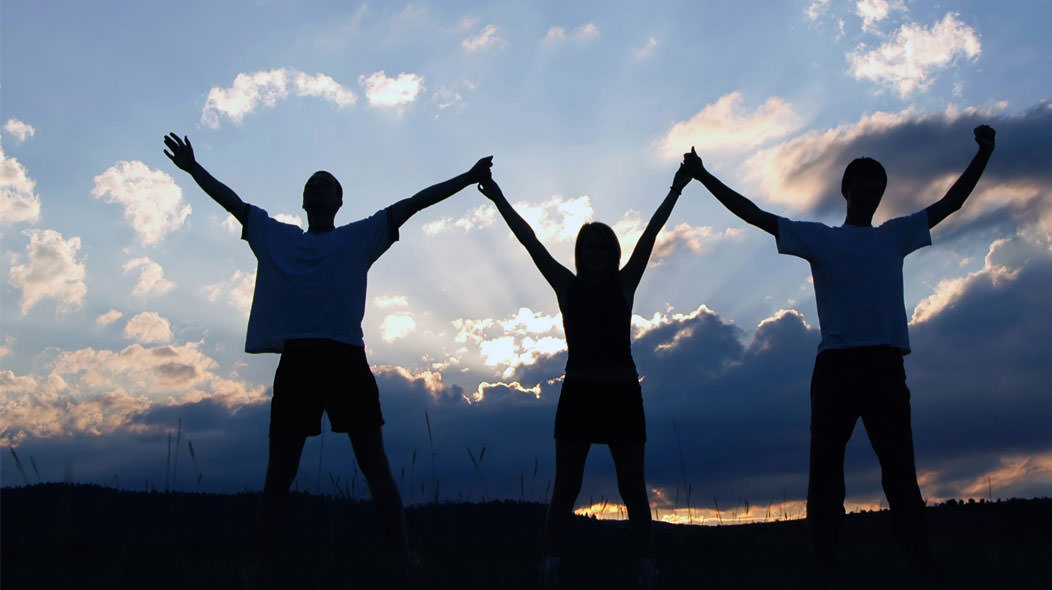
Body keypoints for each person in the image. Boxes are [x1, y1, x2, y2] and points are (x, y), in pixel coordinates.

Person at [162, 132, 492, 588]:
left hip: (345, 360)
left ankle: (403, 561)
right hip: (298, 360)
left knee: (374, 465)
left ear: (339, 201)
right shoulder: (275, 237)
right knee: (280, 472)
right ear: (303, 200)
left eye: (325, 184)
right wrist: (194, 169)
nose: (316, 188)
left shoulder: (360, 237)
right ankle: (261, 567)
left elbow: (417, 202)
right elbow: (232, 202)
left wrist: (469, 177)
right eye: (311, 184)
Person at [683, 125, 995, 588]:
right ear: (846, 189)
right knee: (826, 471)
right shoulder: (822, 239)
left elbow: (952, 203)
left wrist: (983, 153)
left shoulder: (894, 235)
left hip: (885, 364)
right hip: (837, 366)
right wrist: (704, 177)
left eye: (878, 186)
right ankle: (825, 560)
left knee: (899, 470)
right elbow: (756, 215)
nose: (871, 192)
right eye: (864, 185)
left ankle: (918, 558)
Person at [476, 161, 692, 589]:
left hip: (622, 396)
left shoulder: (625, 283)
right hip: (578, 396)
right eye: (587, 246)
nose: (594, 252)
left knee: (633, 489)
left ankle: (647, 569)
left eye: (601, 246)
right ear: (580, 254)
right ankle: (550, 568)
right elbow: (530, 241)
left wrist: (677, 188)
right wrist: (497, 196)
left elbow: (651, 233)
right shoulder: (566, 286)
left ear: (612, 252)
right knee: (565, 489)